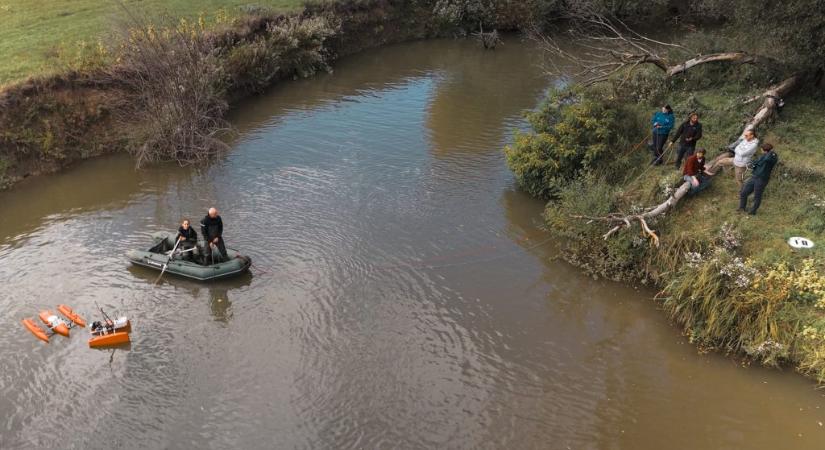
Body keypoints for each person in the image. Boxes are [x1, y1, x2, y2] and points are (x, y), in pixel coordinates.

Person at [739, 143, 778, 215]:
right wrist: (752, 165)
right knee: (743, 193)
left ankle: (752, 211)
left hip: (762, 179)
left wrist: (770, 152)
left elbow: (767, 159)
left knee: (757, 196)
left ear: (765, 150)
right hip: (754, 177)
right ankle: (742, 208)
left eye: (762, 149)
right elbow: (756, 163)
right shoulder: (762, 156)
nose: (761, 150)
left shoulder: (772, 157)